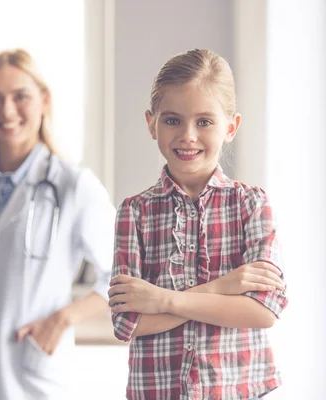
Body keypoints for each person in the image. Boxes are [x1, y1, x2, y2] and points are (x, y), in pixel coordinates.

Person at [108, 49, 288, 400]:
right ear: (151, 123)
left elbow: (262, 310)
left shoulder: (251, 204)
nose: (188, 135)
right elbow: (129, 323)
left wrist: (161, 299)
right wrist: (223, 287)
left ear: (230, 127)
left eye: (204, 122)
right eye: (172, 120)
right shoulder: (134, 213)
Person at [0, 49, 116, 400]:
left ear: (44, 101)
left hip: (34, 376)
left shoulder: (72, 185)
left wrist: (64, 319)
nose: (6, 111)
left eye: (20, 96)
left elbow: (126, 274)